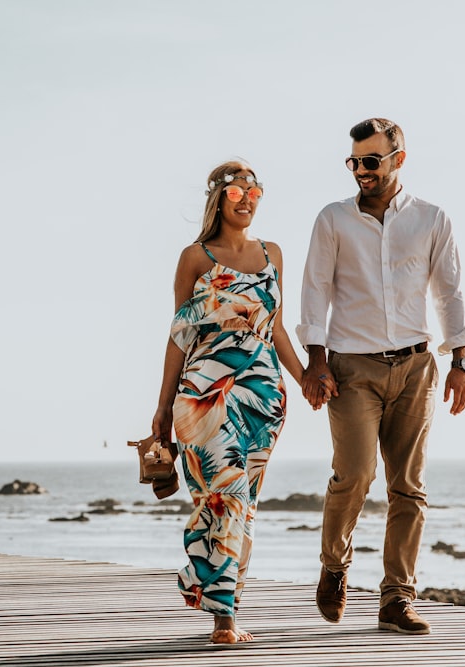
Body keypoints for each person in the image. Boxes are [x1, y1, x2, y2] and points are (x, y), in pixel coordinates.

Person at [297, 118, 465, 635]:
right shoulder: (333, 219)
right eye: (354, 162)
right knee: (354, 475)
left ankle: (397, 597)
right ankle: (334, 565)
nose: (361, 171)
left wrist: (461, 359)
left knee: (408, 488)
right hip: (352, 368)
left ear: (398, 158)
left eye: (371, 161)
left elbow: (449, 292)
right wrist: (315, 359)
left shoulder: (431, 218)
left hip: (417, 366)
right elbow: (315, 290)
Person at [151, 160, 305, 645]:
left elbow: (275, 327)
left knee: (243, 503)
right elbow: (180, 335)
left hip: (264, 400)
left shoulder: (272, 252)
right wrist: (160, 409)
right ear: (217, 198)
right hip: (203, 398)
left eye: (255, 191)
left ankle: (212, 587)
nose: (248, 199)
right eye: (238, 191)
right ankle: (224, 617)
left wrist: (303, 379)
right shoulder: (195, 258)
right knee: (227, 497)